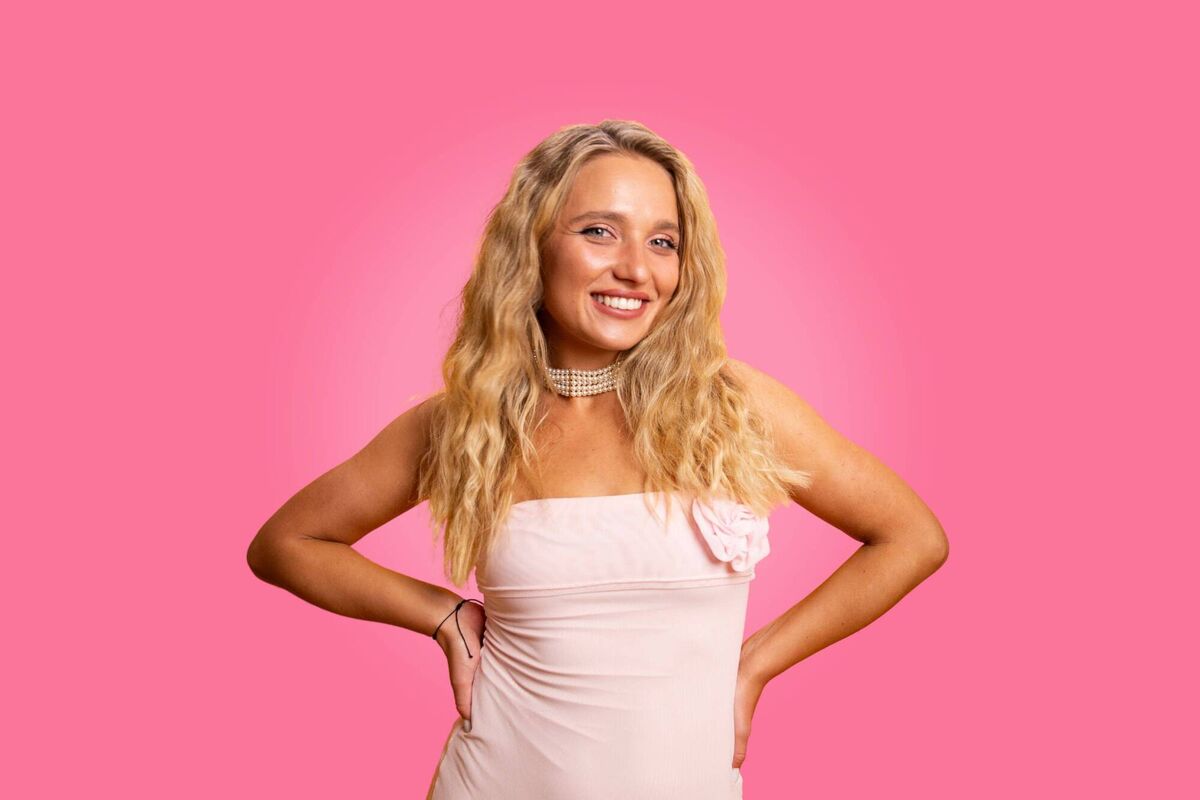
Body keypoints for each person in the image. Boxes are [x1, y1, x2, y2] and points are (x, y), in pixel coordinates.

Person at [247, 119, 949, 799]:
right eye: (599, 231)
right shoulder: (467, 423)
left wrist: (756, 665)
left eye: (663, 242)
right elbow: (286, 544)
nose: (636, 269)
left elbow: (912, 536)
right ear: (532, 246)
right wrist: (440, 613)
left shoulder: (734, 407)